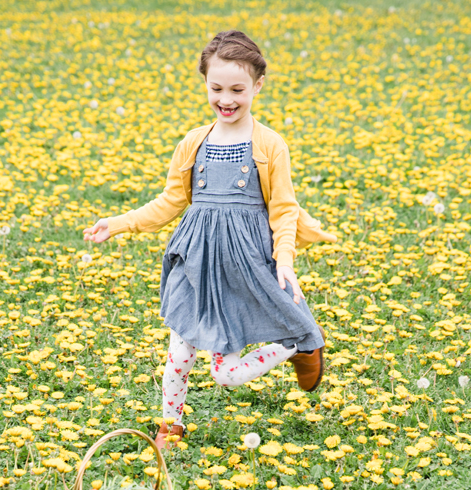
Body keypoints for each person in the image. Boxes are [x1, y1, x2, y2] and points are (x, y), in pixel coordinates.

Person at [84, 29, 337, 449]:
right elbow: (170, 201)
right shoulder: (193, 142)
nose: (226, 99)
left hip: (244, 265)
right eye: (216, 88)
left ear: (257, 86)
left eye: (238, 89)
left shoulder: (270, 145)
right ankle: (171, 424)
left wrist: (285, 260)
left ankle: (296, 346)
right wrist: (120, 222)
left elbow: (284, 210)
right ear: (205, 83)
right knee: (178, 356)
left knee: (226, 374)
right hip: (196, 262)